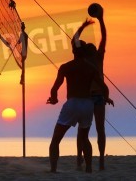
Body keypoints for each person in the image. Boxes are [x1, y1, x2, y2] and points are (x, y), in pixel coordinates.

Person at [47, 43, 110, 173]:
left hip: (73, 102)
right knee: (84, 138)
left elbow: (55, 88)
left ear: (73, 51)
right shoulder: (91, 68)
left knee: (56, 139)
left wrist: (54, 100)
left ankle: (53, 169)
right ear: (85, 53)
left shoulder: (66, 67)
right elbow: (104, 88)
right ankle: (88, 168)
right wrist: (106, 98)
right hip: (88, 104)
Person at [73, 7, 114, 170]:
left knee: (97, 129)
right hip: (86, 97)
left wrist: (100, 19)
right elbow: (75, 40)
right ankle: (79, 158)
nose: (92, 46)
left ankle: (100, 161)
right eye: (89, 46)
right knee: (85, 131)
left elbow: (104, 37)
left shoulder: (97, 57)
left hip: (96, 96)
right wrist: (84, 26)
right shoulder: (82, 57)